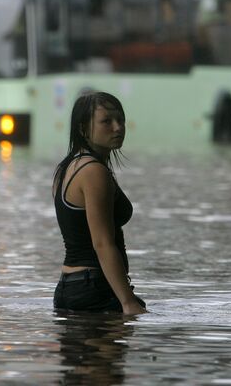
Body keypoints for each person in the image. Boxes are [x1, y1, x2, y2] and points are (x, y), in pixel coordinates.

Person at [52, 91, 146, 315]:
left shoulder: (67, 168)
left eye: (120, 120)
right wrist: (128, 302)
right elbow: (102, 242)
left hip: (71, 287)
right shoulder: (93, 172)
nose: (118, 127)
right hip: (94, 289)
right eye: (106, 121)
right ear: (84, 129)